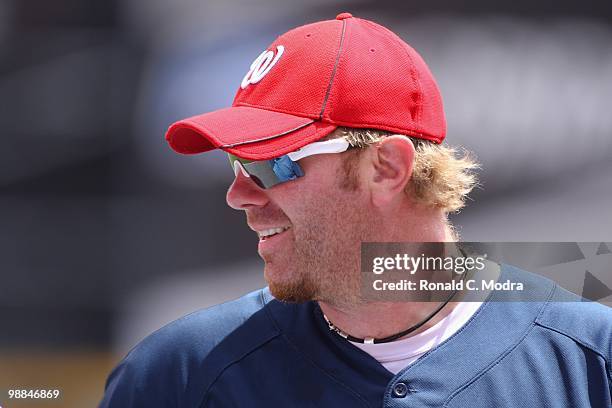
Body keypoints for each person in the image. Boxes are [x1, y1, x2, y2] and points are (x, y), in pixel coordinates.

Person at [100, 13, 612, 407]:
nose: (240, 194)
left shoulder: (591, 360)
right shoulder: (178, 373)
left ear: (387, 166)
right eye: (235, 163)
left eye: (273, 164)